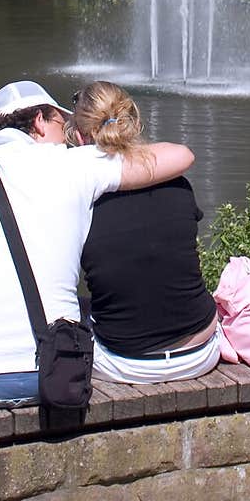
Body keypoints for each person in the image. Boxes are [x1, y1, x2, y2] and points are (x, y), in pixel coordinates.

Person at [0, 78, 195, 408]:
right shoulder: (72, 165)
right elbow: (179, 156)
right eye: (61, 121)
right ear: (39, 121)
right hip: (53, 373)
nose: (68, 134)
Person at [67, 81, 221, 384]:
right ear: (133, 124)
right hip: (200, 352)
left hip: (125, 362)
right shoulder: (178, 184)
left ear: (80, 135)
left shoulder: (78, 201)